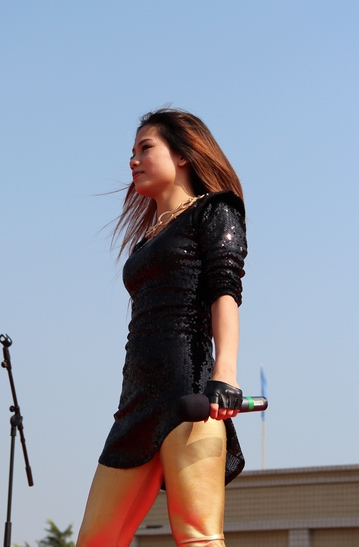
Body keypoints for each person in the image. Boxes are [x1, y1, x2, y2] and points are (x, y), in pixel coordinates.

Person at [77, 108, 248, 547]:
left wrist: (224, 375)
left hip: (190, 396)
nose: (133, 160)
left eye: (145, 148)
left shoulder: (215, 210)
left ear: (183, 154)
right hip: (135, 404)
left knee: (198, 536)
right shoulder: (148, 237)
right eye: (131, 152)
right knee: (96, 540)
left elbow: (225, 293)